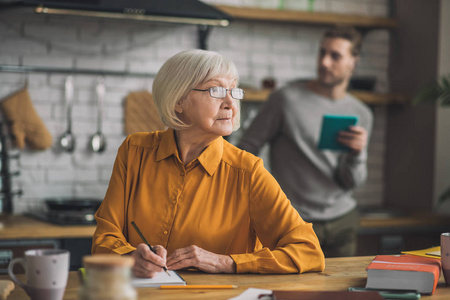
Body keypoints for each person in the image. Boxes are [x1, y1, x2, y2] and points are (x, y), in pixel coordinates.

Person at [92, 49, 325, 277]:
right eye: (216, 90)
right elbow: (104, 239)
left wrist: (225, 262)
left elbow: (308, 251)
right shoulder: (134, 151)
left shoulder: (247, 171)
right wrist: (130, 258)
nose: (230, 103)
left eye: (234, 92)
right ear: (178, 101)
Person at [238, 26, 373, 258]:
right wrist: (266, 197)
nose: (324, 62)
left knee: (342, 294)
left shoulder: (361, 112)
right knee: (292, 294)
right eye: (322, 53)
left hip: (343, 222)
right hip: (293, 221)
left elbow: (350, 182)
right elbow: (246, 149)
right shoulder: (285, 100)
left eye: (335, 56)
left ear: (354, 62)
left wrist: (358, 154)